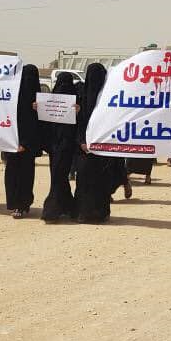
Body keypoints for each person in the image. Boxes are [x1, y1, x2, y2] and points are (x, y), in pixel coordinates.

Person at [73, 63, 112, 223]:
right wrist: (82, 141)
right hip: (84, 148)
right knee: (84, 179)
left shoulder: (109, 97)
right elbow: (77, 123)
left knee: (99, 180)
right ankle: (84, 212)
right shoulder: (81, 97)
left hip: (101, 148)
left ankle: (99, 212)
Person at [3, 64, 42, 218]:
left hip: (28, 145)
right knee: (12, 174)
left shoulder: (40, 100)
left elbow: (40, 124)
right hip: (11, 142)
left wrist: (40, 109)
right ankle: (14, 204)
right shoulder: (11, 96)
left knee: (25, 175)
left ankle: (23, 205)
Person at [41, 72, 80, 222]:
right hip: (54, 145)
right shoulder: (50, 101)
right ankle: (68, 206)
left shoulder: (77, 101)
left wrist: (78, 111)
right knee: (59, 176)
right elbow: (44, 124)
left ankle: (52, 210)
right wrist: (38, 108)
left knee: (58, 176)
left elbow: (82, 123)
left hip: (67, 145)